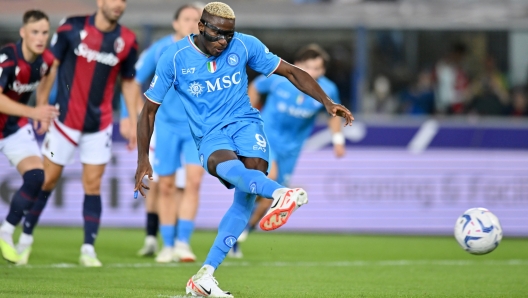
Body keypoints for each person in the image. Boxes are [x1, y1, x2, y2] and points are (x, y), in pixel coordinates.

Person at [134, 2, 353, 297]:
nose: (223, 41)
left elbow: (291, 72)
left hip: (246, 125)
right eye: (216, 34)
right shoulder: (174, 57)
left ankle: (205, 275)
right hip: (209, 134)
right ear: (201, 27)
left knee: (246, 192)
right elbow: (148, 111)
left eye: (228, 35)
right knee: (231, 170)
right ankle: (279, 193)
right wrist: (143, 159)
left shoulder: (245, 45)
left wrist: (326, 101)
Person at [20, 0, 139, 267]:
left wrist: (132, 119)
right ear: (100, 2)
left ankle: (88, 248)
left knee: (93, 185)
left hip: (99, 125)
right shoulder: (71, 27)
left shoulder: (128, 40)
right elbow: (50, 67)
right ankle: (25, 238)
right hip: (64, 121)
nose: (118, 5)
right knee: (47, 180)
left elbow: (129, 82)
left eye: (123, 1)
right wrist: (40, 104)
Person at [231, 44, 345, 257]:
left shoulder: (327, 90)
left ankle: (242, 232)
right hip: (264, 138)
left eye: (318, 68)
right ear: (298, 65)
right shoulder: (278, 79)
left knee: (272, 197)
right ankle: (242, 206)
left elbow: (334, 115)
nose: (313, 72)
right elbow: (255, 88)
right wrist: (246, 113)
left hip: (291, 150)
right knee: (271, 177)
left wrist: (338, 140)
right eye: (308, 67)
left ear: (324, 71)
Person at [119, 3, 205, 262]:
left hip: (196, 129)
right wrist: (128, 116)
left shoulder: (210, 52)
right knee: (165, 186)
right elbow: (132, 79)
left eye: (197, 19)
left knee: (194, 183)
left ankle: (183, 243)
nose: (192, 23)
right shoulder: (160, 50)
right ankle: (167, 244)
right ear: (176, 24)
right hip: (165, 127)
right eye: (187, 18)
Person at [0, 10, 58, 264]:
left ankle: (6, 231)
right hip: (14, 119)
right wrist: (33, 110)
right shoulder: (7, 59)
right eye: (35, 32)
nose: (40, 37)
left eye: (45, 32)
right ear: (23, 33)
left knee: (37, 177)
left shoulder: (46, 60)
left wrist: (42, 112)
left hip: (12, 128)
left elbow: (47, 78)